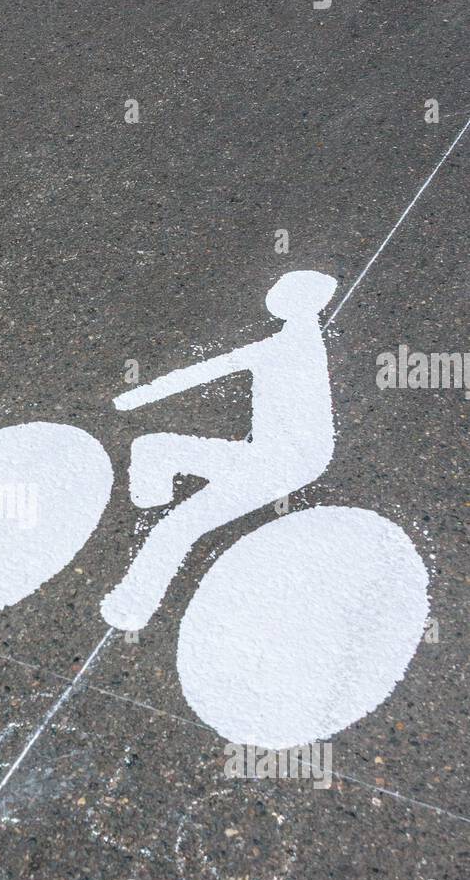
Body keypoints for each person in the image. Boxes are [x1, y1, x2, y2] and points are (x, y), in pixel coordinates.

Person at [99, 270, 338, 631]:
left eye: (282, 291)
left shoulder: (285, 346)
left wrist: (133, 398)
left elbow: (208, 370)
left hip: (279, 460)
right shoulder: (297, 341)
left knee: (178, 526)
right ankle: (151, 503)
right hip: (280, 454)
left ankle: (134, 603)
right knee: (152, 449)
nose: (273, 294)